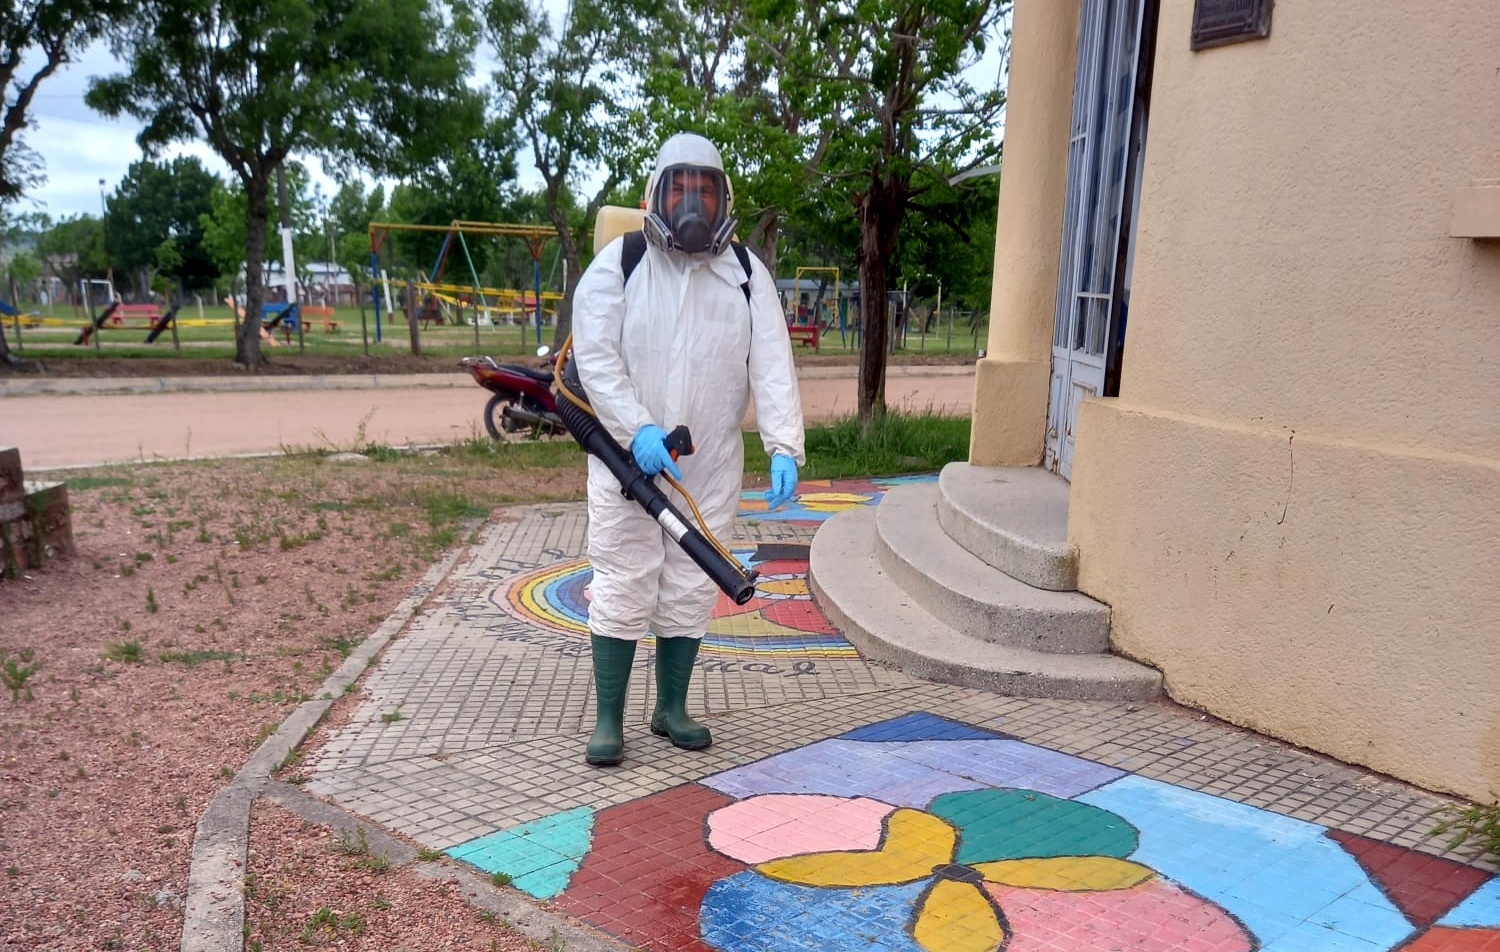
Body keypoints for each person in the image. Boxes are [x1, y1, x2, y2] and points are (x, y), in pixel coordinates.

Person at [570, 132, 805, 766]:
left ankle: (670, 709)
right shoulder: (621, 263)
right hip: (625, 461)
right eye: (680, 188)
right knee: (623, 579)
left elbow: (772, 364)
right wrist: (636, 429)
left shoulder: (746, 274)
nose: (693, 202)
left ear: (724, 196)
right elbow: (596, 358)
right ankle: (609, 721)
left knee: (691, 584)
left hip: (710, 464)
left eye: (705, 188)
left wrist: (784, 445)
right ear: (657, 193)